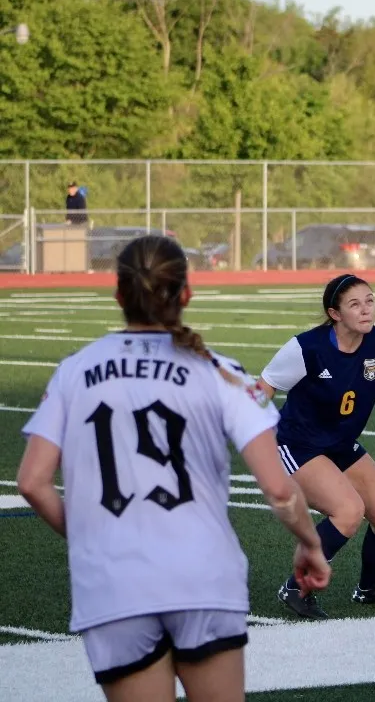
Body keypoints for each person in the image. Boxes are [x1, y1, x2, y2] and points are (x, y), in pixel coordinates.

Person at [16, 236, 330, 702]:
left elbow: (32, 481)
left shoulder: (74, 371)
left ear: (119, 295)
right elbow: (280, 491)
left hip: (114, 584)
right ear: (186, 293)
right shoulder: (219, 371)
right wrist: (309, 543)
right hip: (203, 576)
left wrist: (89, 534)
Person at [256, 273, 375, 619]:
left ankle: (370, 589)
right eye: (355, 304)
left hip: (341, 443)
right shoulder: (306, 348)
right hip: (298, 444)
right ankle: (295, 587)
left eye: (370, 301)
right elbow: (265, 386)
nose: (366, 310)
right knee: (347, 511)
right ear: (335, 313)